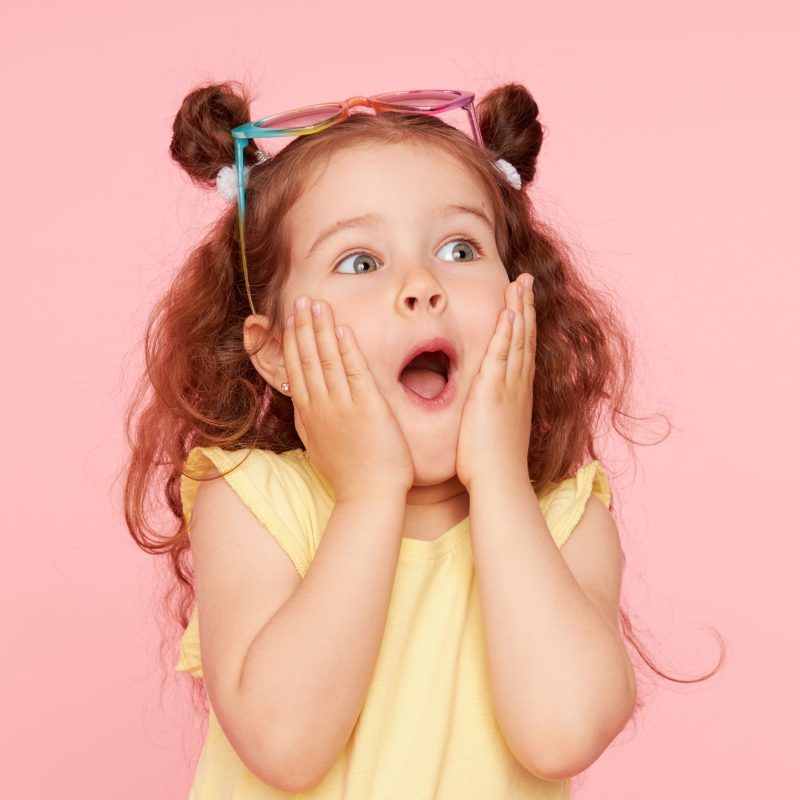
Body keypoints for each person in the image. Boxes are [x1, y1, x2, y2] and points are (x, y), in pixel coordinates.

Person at [126, 82, 643, 798]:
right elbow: (285, 744)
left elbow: (562, 731)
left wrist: (497, 478)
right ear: (274, 352)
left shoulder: (563, 518)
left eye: (460, 248)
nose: (422, 285)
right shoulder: (252, 498)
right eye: (360, 263)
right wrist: (370, 492)